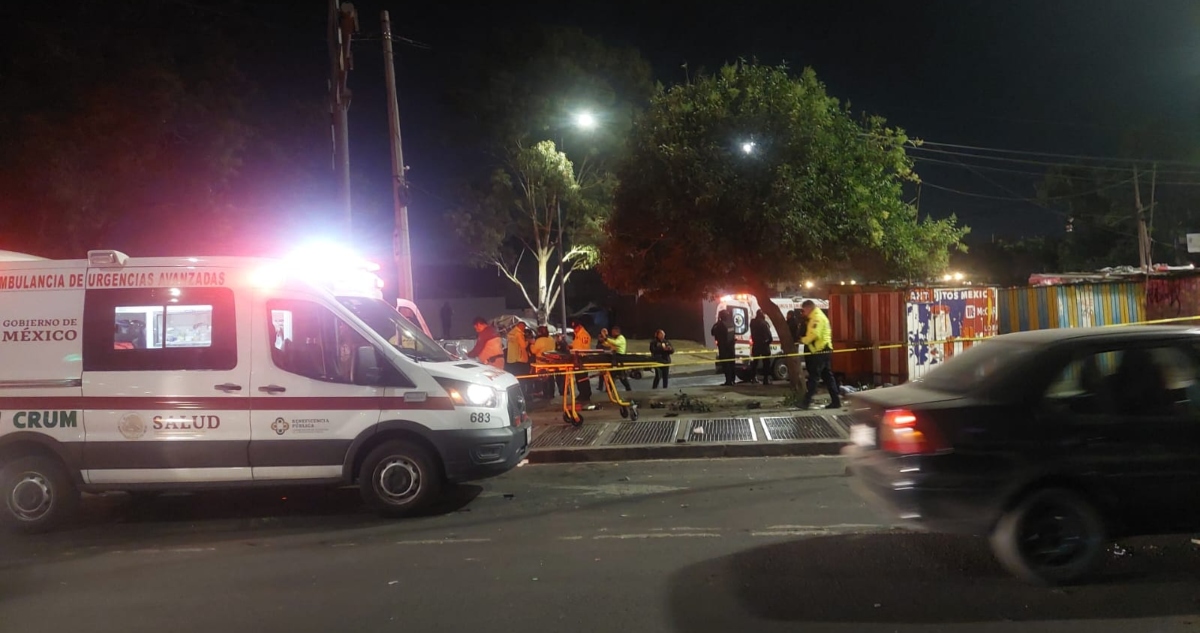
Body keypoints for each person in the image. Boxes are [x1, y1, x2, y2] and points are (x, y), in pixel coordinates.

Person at [799, 300, 841, 409]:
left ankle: (806, 402)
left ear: (808, 308)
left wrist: (803, 340)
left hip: (820, 351)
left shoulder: (816, 317)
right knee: (827, 377)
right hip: (824, 350)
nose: (803, 313)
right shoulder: (818, 316)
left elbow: (814, 334)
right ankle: (836, 401)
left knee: (814, 376)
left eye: (803, 310)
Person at [530, 325, 558, 399]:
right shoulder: (551, 339)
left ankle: (546, 394)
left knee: (544, 378)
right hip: (551, 362)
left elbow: (534, 351)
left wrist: (532, 344)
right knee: (551, 377)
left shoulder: (539, 340)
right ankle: (551, 394)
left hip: (541, 362)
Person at [601, 325, 632, 391]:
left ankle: (628, 389)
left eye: (613, 332)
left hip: (619, 357)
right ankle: (609, 390)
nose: (612, 333)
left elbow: (615, 343)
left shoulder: (621, 338)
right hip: (615, 358)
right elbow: (607, 344)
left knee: (621, 377)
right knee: (612, 376)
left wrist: (606, 338)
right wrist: (603, 338)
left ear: (616, 332)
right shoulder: (615, 338)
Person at [749, 309, 774, 385]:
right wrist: (769, 341)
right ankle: (765, 380)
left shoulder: (753, 322)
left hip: (756, 344)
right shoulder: (764, 323)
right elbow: (769, 335)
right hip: (764, 345)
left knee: (755, 362)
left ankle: (753, 378)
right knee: (766, 363)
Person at [570, 321, 593, 401]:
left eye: (575, 328)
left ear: (579, 326)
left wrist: (578, 354)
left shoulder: (584, 335)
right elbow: (576, 345)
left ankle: (586, 394)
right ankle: (582, 393)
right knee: (578, 377)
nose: (574, 330)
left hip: (582, 358)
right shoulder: (577, 335)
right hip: (577, 357)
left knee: (583, 377)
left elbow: (585, 348)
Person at [712, 310, 736, 386]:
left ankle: (728, 381)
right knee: (732, 364)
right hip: (731, 348)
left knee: (726, 365)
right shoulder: (731, 324)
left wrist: (717, 322)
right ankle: (733, 380)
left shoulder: (720, 325)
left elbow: (712, 332)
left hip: (724, 348)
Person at [506, 321, 531, 393]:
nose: (524, 329)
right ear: (521, 326)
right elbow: (523, 346)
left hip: (511, 358)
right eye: (524, 327)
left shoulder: (510, 333)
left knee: (515, 377)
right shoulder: (519, 334)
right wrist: (528, 342)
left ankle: (514, 392)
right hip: (519, 358)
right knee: (521, 378)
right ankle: (522, 392)